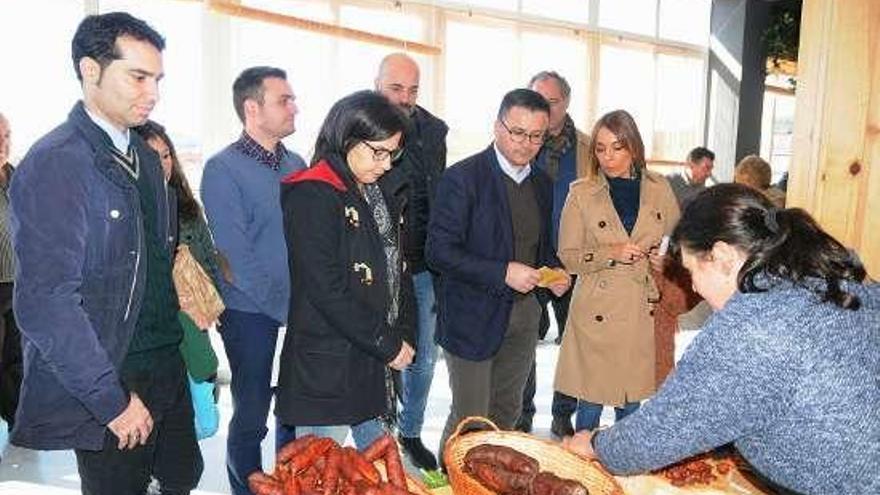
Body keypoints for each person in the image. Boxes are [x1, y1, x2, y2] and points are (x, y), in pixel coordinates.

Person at [564, 183, 880, 495]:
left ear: (723, 256)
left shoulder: (751, 325)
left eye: (691, 271)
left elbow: (657, 433)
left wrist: (594, 445)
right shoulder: (827, 277)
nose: (695, 288)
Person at [9, 12, 202, 494]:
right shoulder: (57, 163)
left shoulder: (145, 159)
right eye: (137, 76)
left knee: (183, 478)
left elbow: (158, 267)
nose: (152, 92)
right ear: (91, 71)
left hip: (165, 362)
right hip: (114, 371)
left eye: (157, 79)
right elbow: (46, 303)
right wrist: (110, 399)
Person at [427, 89, 571, 462]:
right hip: (472, 315)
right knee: (471, 419)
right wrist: (502, 271)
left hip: (524, 314)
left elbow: (537, 246)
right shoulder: (462, 178)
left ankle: (487, 483)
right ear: (497, 126)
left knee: (506, 416)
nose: (526, 144)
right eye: (517, 132)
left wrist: (554, 273)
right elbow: (439, 252)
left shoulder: (542, 183)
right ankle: (452, 480)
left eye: (536, 136)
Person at [277, 90, 415, 448]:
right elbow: (325, 289)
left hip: (371, 358)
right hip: (330, 363)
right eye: (379, 152)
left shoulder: (377, 190)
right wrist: (387, 342)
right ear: (346, 137)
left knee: (380, 471)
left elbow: (398, 269)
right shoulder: (313, 193)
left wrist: (404, 332)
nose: (386, 164)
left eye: (393, 153)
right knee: (319, 475)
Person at [201, 66, 305, 495]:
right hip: (249, 313)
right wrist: (282, 307)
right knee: (252, 412)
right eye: (284, 100)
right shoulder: (222, 169)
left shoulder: (296, 164)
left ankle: (290, 484)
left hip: (298, 308)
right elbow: (234, 258)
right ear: (252, 108)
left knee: (295, 408)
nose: (295, 107)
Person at [555, 109, 680, 433]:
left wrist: (663, 262)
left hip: (640, 306)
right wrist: (611, 252)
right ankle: (583, 468)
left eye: (617, 147)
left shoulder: (659, 188)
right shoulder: (581, 192)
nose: (608, 157)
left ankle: (624, 473)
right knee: (591, 401)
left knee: (631, 400)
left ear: (633, 148)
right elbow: (568, 257)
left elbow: (677, 242)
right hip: (597, 306)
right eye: (600, 148)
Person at [374, 53, 448, 470]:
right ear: (377, 84)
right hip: (374, 265)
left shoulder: (433, 132)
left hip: (422, 267)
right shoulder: (353, 124)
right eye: (395, 88)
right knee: (378, 351)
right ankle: (376, 433)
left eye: (413, 90)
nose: (405, 98)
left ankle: (411, 431)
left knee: (422, 357)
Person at [516, 71, 590, 437]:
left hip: (573, 261)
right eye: (536, 98)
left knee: (574, 342)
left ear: (567, 102)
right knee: (523, 337)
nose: (543, 107)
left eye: (552, 100)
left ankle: (564, 411)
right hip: (526, 258)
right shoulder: (517, 142)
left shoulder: (589, 150)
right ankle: (522, 411)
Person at [134, 120, 222, 387]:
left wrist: (213, 308)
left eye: (166, 155)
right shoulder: (128, 211)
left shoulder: (185, 206)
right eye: (153, 157)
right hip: (151, 333)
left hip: (194, 322)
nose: (163, 164)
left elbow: (208, 257)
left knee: (203, 410)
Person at [0, 111, 20, 434]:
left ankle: (18, 422)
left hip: (19, 283)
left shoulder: (16, 176)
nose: (3, 144)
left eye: (5, 136)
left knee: (17, 358)